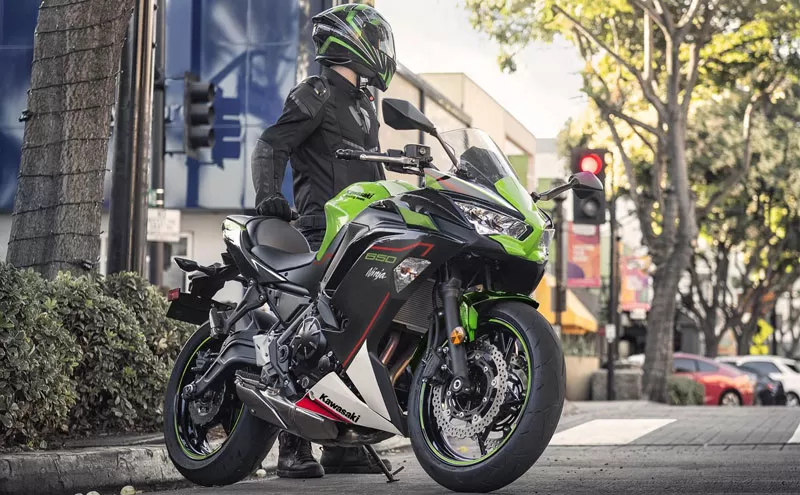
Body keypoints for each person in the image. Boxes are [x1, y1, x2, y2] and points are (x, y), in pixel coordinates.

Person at [250, 3, 397, 479]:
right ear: (347, 42)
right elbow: (272, 144)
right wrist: (269, 195)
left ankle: (342, 444)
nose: (381, 49)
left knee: (356, 334)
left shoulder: (365, 104)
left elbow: (372, 170)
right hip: (321, 228)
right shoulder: (316, 93)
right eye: (373, 38)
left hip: (365, 228)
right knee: (308, 332)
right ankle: (292, 447)